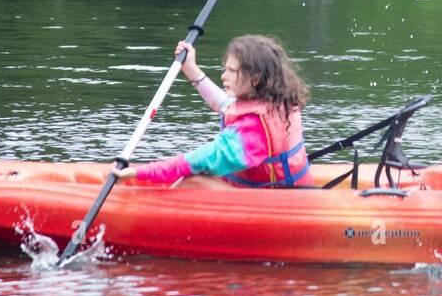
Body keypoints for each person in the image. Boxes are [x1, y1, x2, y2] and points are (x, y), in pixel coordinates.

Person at [116, 35, 311, 189]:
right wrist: (190, 68)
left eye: (231, 71)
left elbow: (198, 160)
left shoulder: (253, 131)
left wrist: (137, 172)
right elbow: (223, 104)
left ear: (255, 78)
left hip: (274, 205)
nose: (223, 76)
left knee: (194, 182)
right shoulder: (277, 101)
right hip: (277, 191)